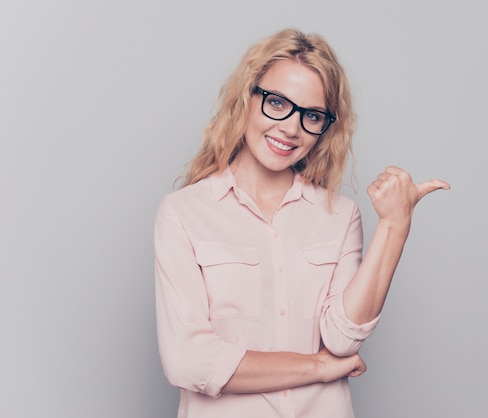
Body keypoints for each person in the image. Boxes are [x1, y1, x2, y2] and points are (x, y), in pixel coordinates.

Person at [154, 27, 450, 418]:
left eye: (312, 115)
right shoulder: (183, 213)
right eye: (277, 103)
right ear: (247, 97)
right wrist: (317, 367)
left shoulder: (339, 216)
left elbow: (342, 340)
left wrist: (395, 226)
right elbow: (188, 360)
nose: (291, 128)